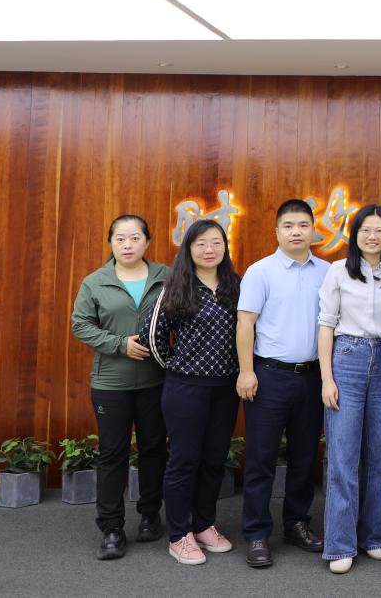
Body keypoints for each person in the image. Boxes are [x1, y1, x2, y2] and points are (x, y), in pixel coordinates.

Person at [138, 218, 241, 565]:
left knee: (214, 459)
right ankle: (179, 534)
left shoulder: (236, 286)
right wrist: (177, 365)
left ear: (225, 247)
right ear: (189, 249)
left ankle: (203, 524)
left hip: (226, 388)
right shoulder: (176, 287)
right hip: (186, 387)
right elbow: (151, 336)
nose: (209, 249)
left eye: (216, 242)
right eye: (201, 244)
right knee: (184, 460)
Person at [236, 199, 330, 568]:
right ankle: (257, 533)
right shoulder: (260, 271)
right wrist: (246, 371)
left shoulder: (328, 272)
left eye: (303, 225)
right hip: (269, 376)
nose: (296, 232)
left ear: (313, 231)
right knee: (261, 458)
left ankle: (296, 523)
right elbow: (245, 323)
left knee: (305, 457)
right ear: (277, 231)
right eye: (288, 226)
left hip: (312, 377)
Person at [70, 214, 169, 560]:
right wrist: (119, 344)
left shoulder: (166, 277)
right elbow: (80, 324)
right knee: (112, 453)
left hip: (157, 380)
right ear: (111, 242)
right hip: (111, 383)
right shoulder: (95, 282)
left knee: (154, 449)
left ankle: (150, 515)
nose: (127, 245)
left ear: (147, 242)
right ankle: (111, 528)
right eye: (120, 239)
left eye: (135, 238)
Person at [317, 204, 381, 574]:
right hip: (347, 358)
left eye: (379, 230)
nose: (372, 236)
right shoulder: (338, 270)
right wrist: (326, 378)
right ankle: (340, 544)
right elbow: (325, 324)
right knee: (343, 456)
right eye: (365, 229)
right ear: (355, 234)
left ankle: (375, 535)